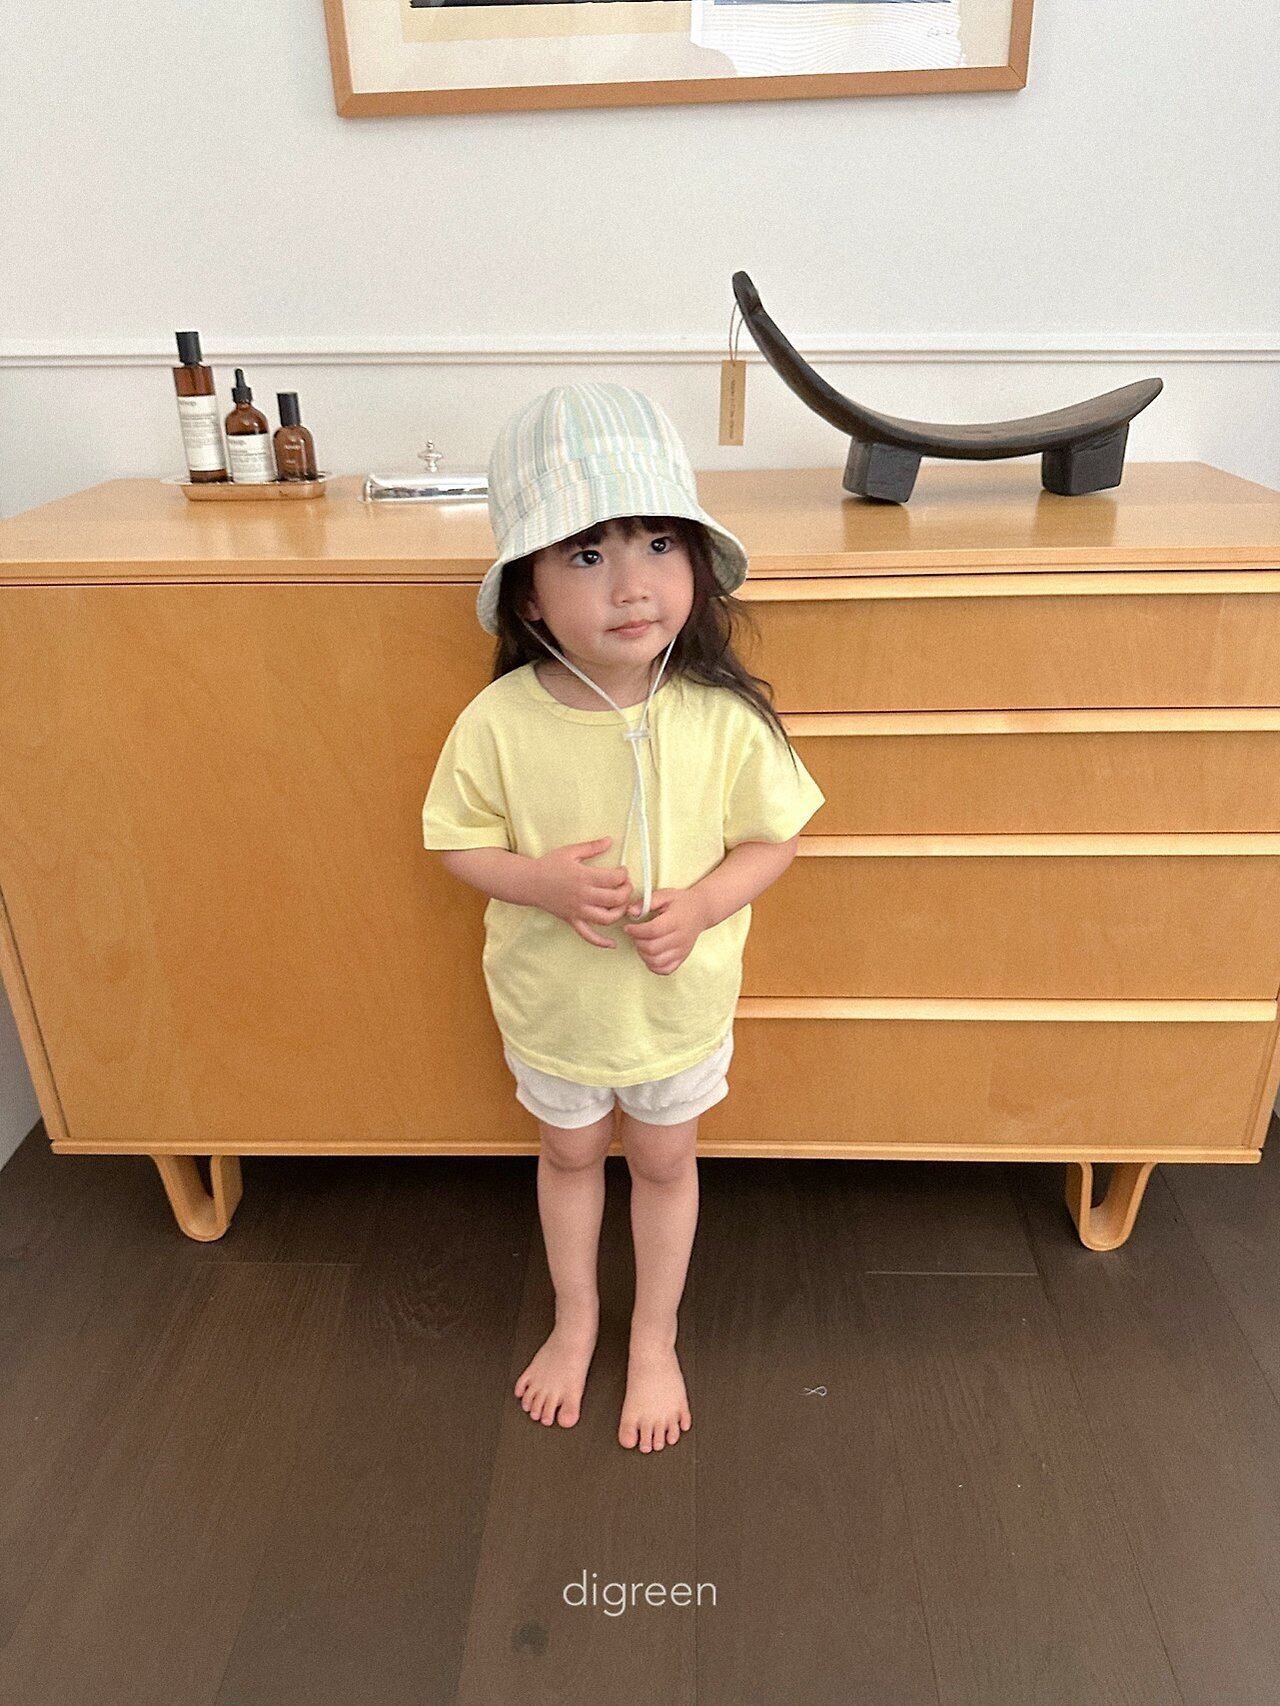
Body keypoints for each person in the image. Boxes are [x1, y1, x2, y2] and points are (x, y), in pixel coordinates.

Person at [422, 381, 825, 1452]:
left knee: (661, 1161)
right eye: (588, 554)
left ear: (695, 562)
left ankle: (654, 1334)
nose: (632, 583)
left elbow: (775, 837)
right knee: (566, 1156)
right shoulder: (497, 721)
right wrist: (541, 884)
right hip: (553, 1010)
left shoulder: (723, 716)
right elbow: (453, 841)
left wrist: (703, 903)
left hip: (675, 1014)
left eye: (656, 543)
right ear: (529, 595)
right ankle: (576, 1318)